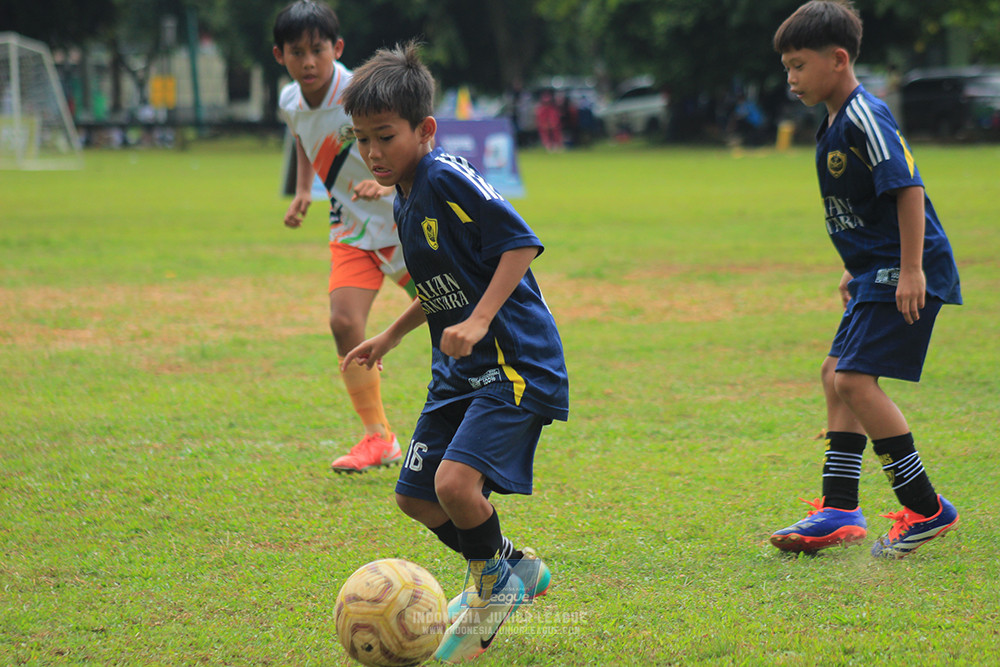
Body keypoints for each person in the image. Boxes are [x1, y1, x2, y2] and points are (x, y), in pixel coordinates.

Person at [340, 41, 569, 661]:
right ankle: (513, 568)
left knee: (454, 484)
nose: (373, 152)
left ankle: (494, 592)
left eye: (385, 136)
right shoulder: (404, 192)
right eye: (362, 139)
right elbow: (443, 284)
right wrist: (391, 334)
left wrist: (481, 318)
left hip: (512, 363)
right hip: (458, 370)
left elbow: (519, 244)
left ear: (425, 130)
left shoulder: (444, 176)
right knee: (415, 495)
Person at [769, 0, 962, 559]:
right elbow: (865, 209)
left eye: (799, 65)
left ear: (838, 59)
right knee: (835, 374)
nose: (791, 78)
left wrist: (910, 269)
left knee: (854, 380)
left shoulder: (865, 116)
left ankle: (926, 508)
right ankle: (839, 509)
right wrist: (854, 269)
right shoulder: (833, 121)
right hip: (875, 271)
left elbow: (908, 191)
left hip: (905, 269)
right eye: (787, 67)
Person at [272, 0, 416, 473]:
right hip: (351, 227)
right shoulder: (289, 101)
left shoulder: (361, 93)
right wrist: (303, 190)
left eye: (317, 50)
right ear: (280, 55)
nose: (308, 62)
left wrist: (389, 184)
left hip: (404, 223)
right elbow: (302, 136)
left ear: (337, 48)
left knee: (452, 314)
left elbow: (417, 140)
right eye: (297, 52)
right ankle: (379, 437)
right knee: (344, 322)